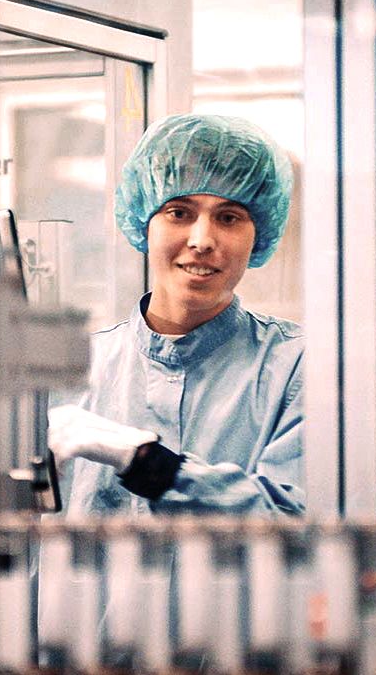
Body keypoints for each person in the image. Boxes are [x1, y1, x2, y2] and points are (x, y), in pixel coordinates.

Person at [47, 113, 305, 515]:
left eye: (229, 217)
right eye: (178, 213)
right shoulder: (71, 370)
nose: (201, 240)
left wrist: (150, 465)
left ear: (259, 234)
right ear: (143, 222)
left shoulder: (298, 368)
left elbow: (299, 526)